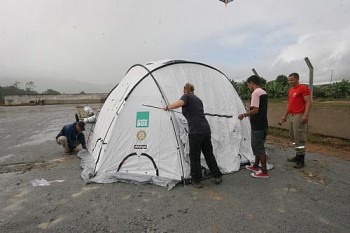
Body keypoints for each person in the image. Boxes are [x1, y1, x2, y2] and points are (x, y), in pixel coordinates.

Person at [164, 82, 223, 188]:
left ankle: (196, 180)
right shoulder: (198, 100)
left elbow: (179, 103)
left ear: (185, 89)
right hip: (205, 129)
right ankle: (217, 175)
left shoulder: (186, 96)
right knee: (208, 153)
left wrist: (168, 107)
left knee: (194, 156)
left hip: (196, 131)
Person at [238, 75, 269, 178]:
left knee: (259, 149)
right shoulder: (263, 92)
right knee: (258, 147)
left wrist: (244, 115)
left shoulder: (255, 93)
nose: (248, 87)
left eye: (248, 85)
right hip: (264, 124)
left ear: (252, 83)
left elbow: (256, 110)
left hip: (257, 125)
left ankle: (264, 172)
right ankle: (255, 166)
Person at [280, 73, 311, 168]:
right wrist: (285, 116)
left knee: (299, 138)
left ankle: (301, 160)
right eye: (289, 80)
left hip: (299, 115)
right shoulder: (291, 90)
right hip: (292, 116)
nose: (290, 82)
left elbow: (308, 102)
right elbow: (290, 104)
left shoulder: (303, 88)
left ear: (297, 79)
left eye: (292, 80)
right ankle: (298, 155)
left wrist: (305, 115)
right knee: (293, 138)